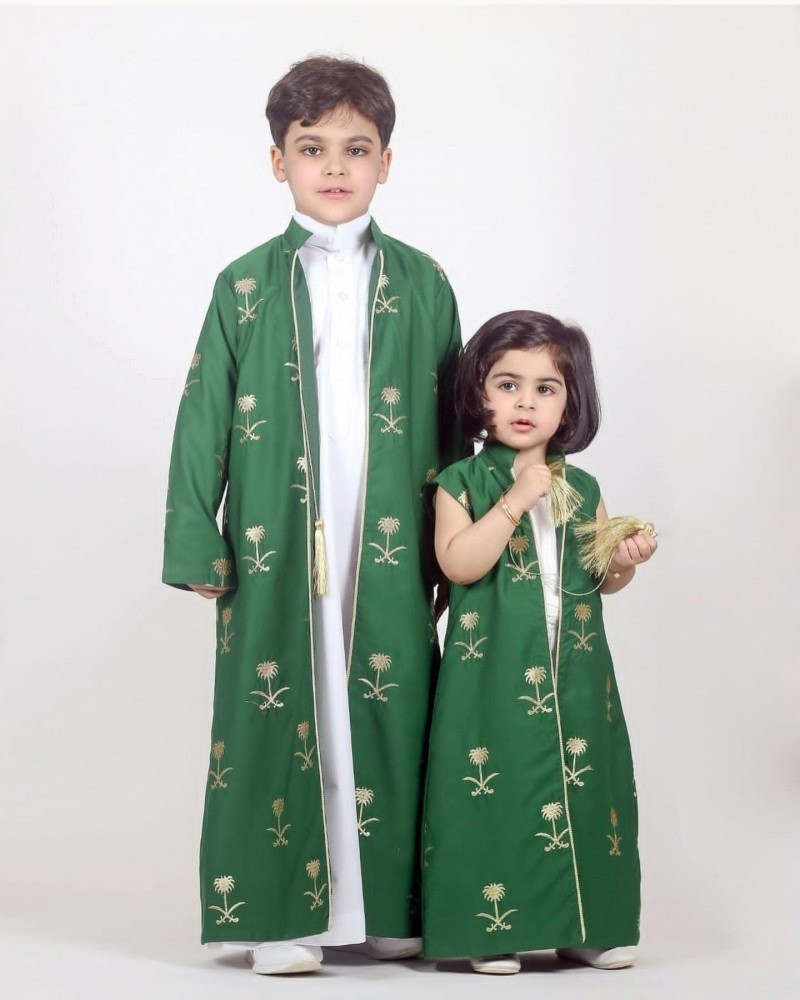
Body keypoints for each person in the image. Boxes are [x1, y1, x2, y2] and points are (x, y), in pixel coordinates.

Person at [162, 55, 463, 976]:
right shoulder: (245, 283)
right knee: (278, 706)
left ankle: (389, 906)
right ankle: (277, 917)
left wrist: (457, 540)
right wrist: (196, 532)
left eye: (356, 149)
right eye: (312, 147)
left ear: (387, 162)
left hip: (390, 523)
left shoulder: (424, 281)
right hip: (277, 528)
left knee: (392, 701)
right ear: (277, 160)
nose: (335, 166)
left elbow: (456, 418)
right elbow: (204, 411)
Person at [421, 311, 656, 974]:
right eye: (508, 385)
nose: (526, 403)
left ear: (571, 403)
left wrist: (626, 558)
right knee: (491, 789)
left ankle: (588, 925)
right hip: (492, 669)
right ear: (478, 394)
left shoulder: (583, 488)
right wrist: (515, 500)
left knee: (588, 788)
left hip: (574, 664)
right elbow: (458, 564)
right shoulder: (460, 483)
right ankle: (488, 929)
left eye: (545, 388)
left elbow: (602, 578)